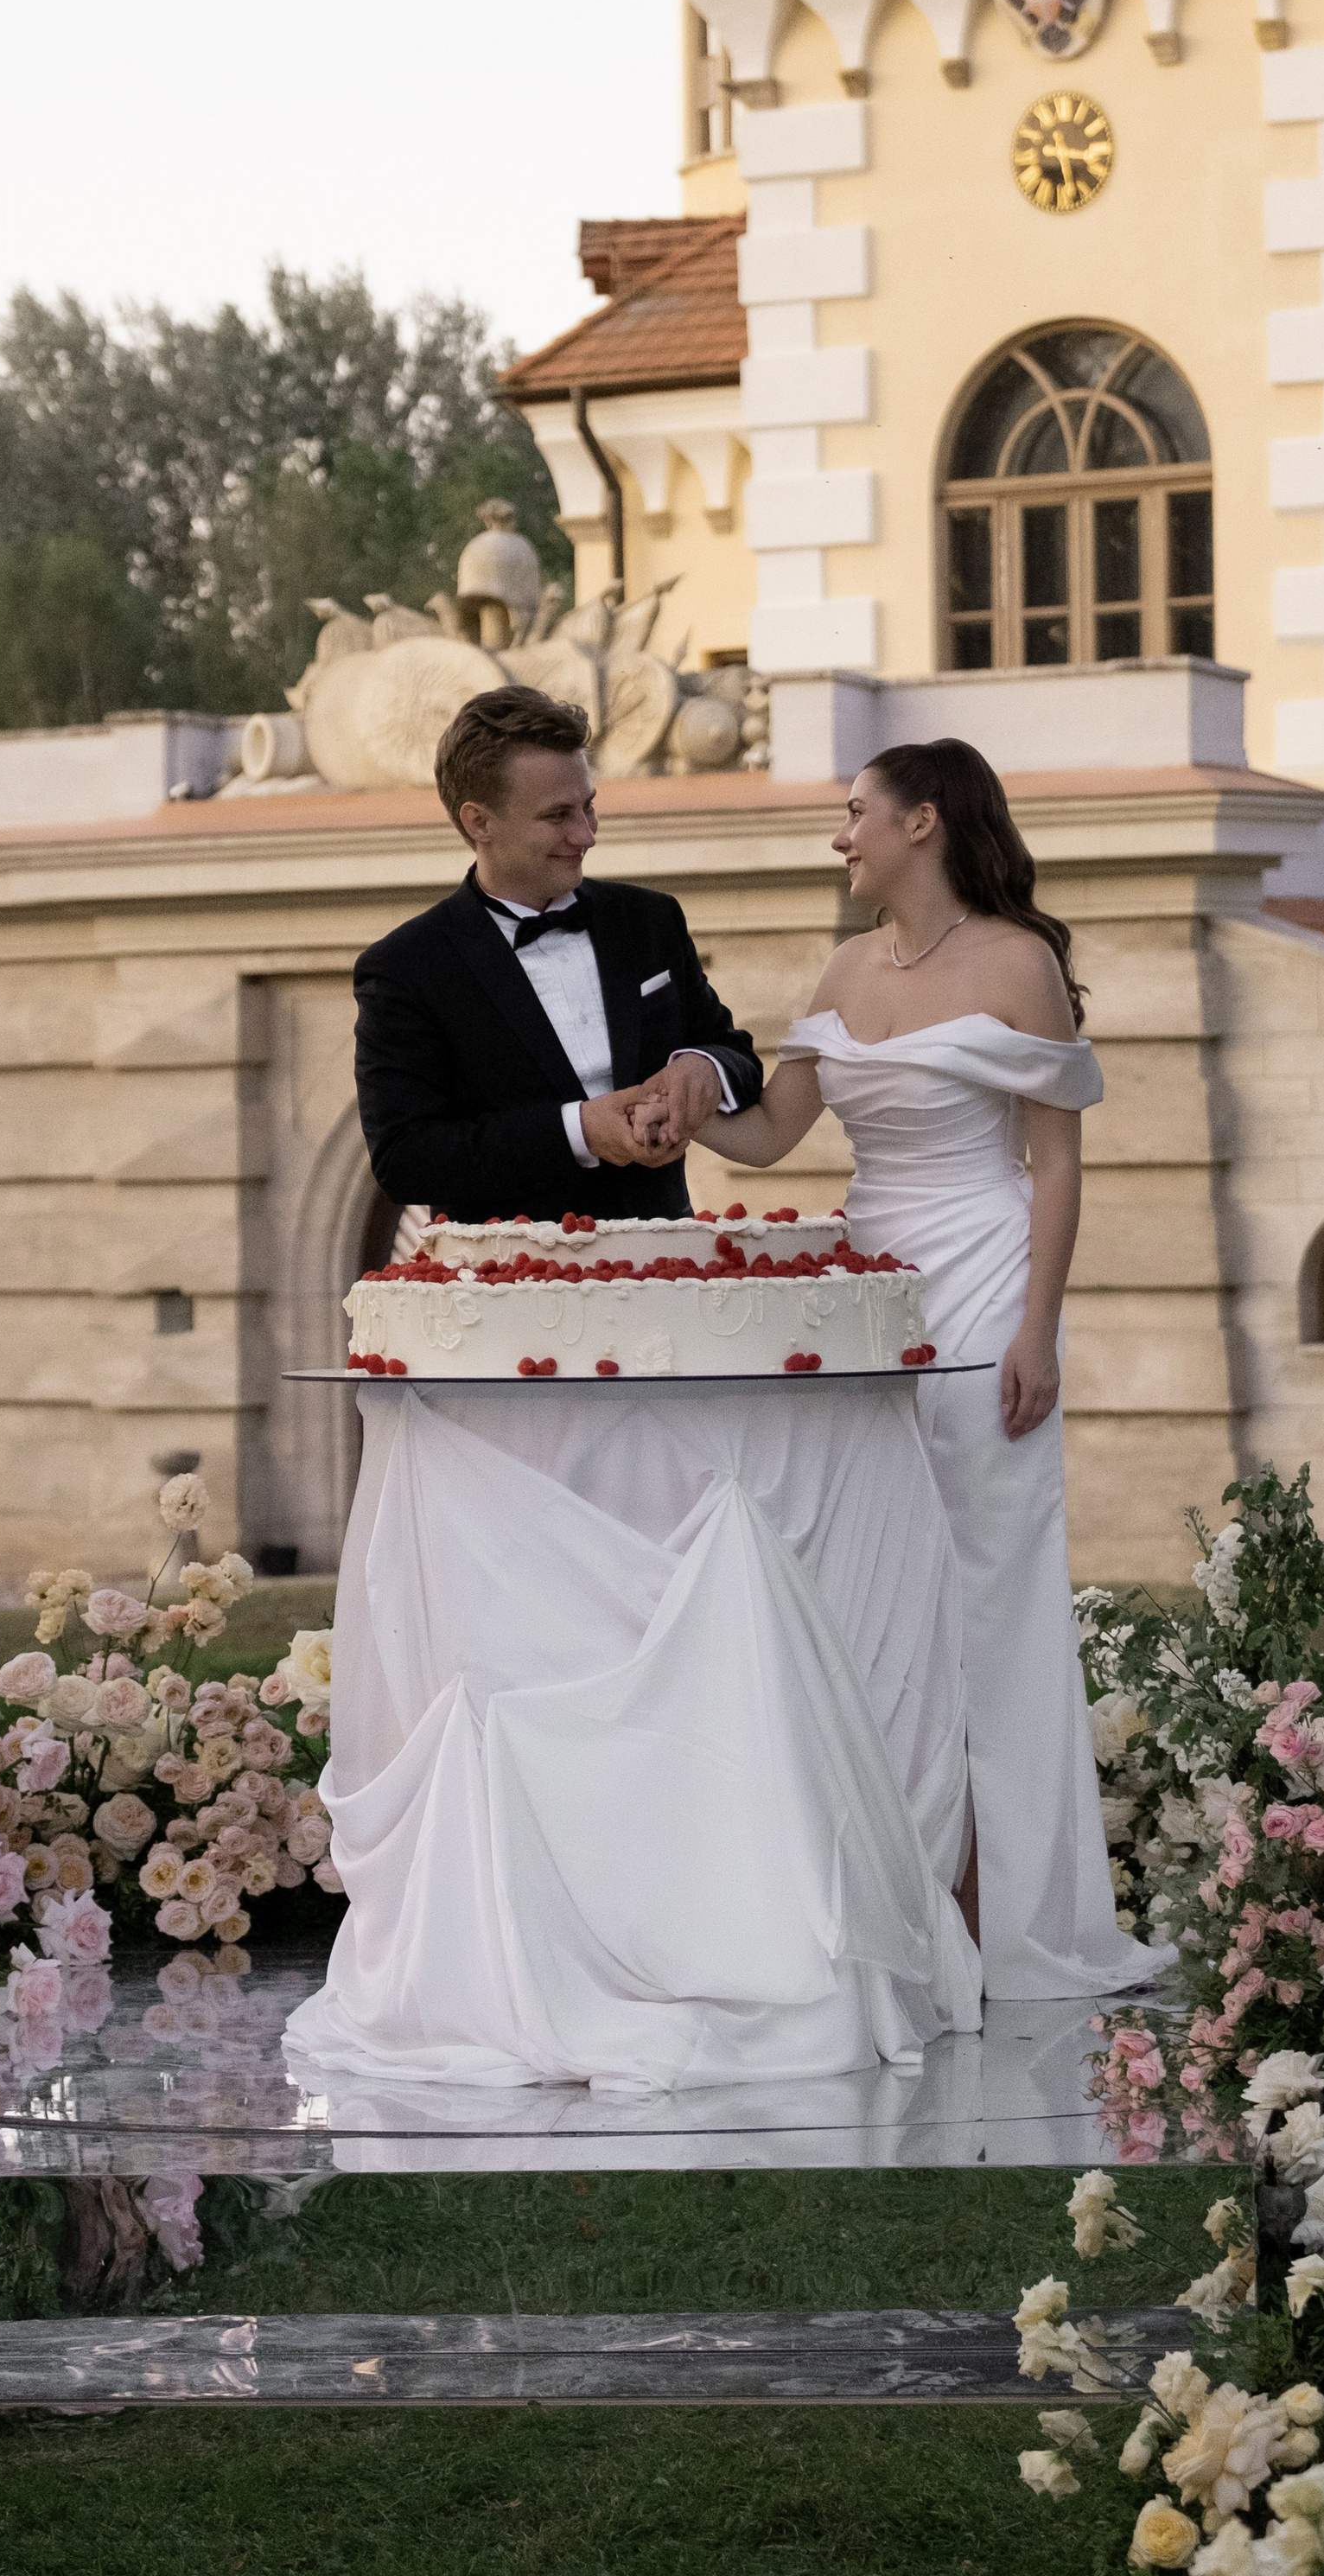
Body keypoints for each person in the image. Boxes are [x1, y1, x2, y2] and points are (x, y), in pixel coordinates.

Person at [680, 736, 1170, 2004]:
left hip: (986, 1277)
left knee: (992, 1594)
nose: (839, 835)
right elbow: (771, 1134)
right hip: (872, 1293)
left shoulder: (1018, 964)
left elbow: (1055, 1162)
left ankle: (1018, 1918)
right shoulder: (847, 967)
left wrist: (1036, 1331)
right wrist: (681, 1098)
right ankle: (900, 1890)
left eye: (857, 812)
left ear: (923, 821)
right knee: (875, 1582)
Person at [354, 685, 764, 1223]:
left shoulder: (650, 919)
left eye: (589, 806)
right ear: (479, 822)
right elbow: (406, 1159)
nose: (586, 835)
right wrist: (580, 1131)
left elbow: (736, 1055)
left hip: (663, 1257)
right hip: (506, 1271)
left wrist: (704, 1067)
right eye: (558, 816)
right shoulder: (406, 968)